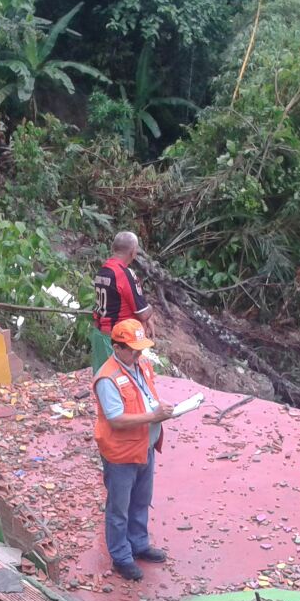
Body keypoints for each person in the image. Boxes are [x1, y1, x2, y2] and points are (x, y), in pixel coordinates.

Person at [92, 318, 174, 581]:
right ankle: (121, 556)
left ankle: (138, 544)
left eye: (141, 348)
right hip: (121, 454)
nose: (139, 353)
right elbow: (116, 419)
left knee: (141, 500)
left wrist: (162, 409)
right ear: (117, 347)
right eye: (134, 349)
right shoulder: (107, 378)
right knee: (119, 507)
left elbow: (147, 398)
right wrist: (153, 417)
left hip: (144, 447)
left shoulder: (142, 366)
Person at [91, 231, 153, 372]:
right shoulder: (124, 274)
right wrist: (151, 310)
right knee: (119, 383)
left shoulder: (102, 271)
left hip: (100, 334)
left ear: (113, 248)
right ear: (133, 252)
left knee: (103, 379)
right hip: (119, 339)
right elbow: (143, 313)